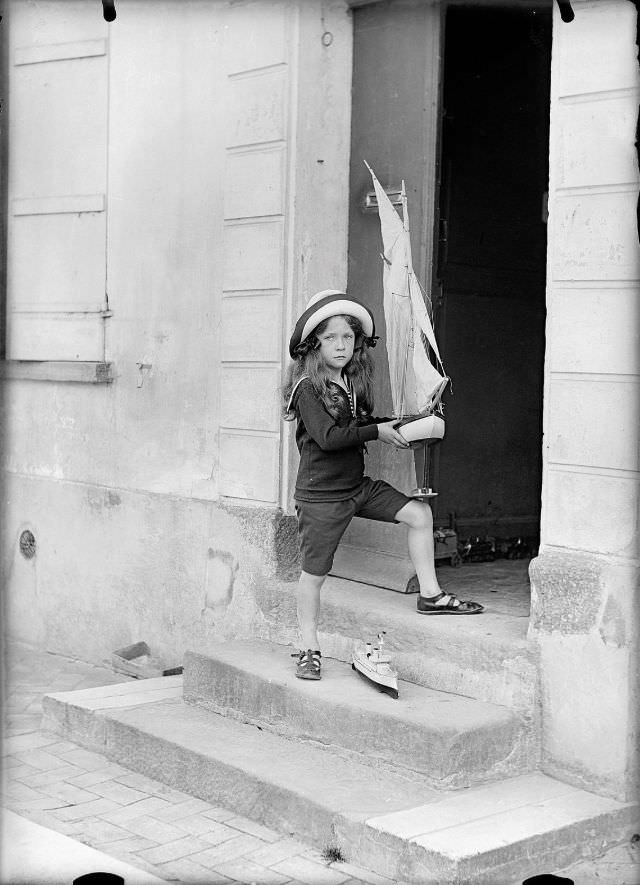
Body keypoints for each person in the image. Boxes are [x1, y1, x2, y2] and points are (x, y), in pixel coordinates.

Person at [283, 290, 484, 680]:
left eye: (348, 337)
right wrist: (376, 431)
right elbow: (328, 437)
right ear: (314, 345)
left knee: (419, 513)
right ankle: (309, 646)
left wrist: (398, 424)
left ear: (357, 342)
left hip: (357, 487)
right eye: (330, 338)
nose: (341, 345)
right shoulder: (307, 387)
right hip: (322, 498)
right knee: (314, 576)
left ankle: (430, 595)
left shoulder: (350, 383)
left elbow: (356, 426)